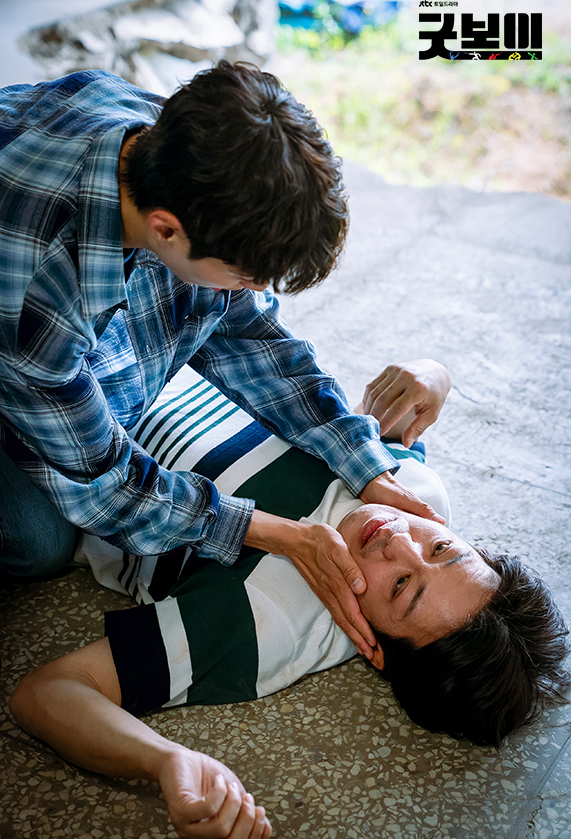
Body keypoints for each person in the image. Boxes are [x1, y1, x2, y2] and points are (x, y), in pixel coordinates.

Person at [0, 62, 451, 659]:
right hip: (20, 349)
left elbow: (251, 338)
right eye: (245, 276)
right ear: (165, 230)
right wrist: (279, 534)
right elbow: (104, 485)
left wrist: (365, 465)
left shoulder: (184, 146)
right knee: (40, 541)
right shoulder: (40, 292)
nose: (254, 291)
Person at [9, 365, 569, 839]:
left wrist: (164, 759)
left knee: (34, 543)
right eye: (443, 549)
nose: (400, 540)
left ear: (373, 647)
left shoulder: (265, 620)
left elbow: (48, 691)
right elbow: (384, 409)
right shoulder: (418, 498)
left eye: (401, 586)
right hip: (160, 360)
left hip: (65, 458)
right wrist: (432, 378)